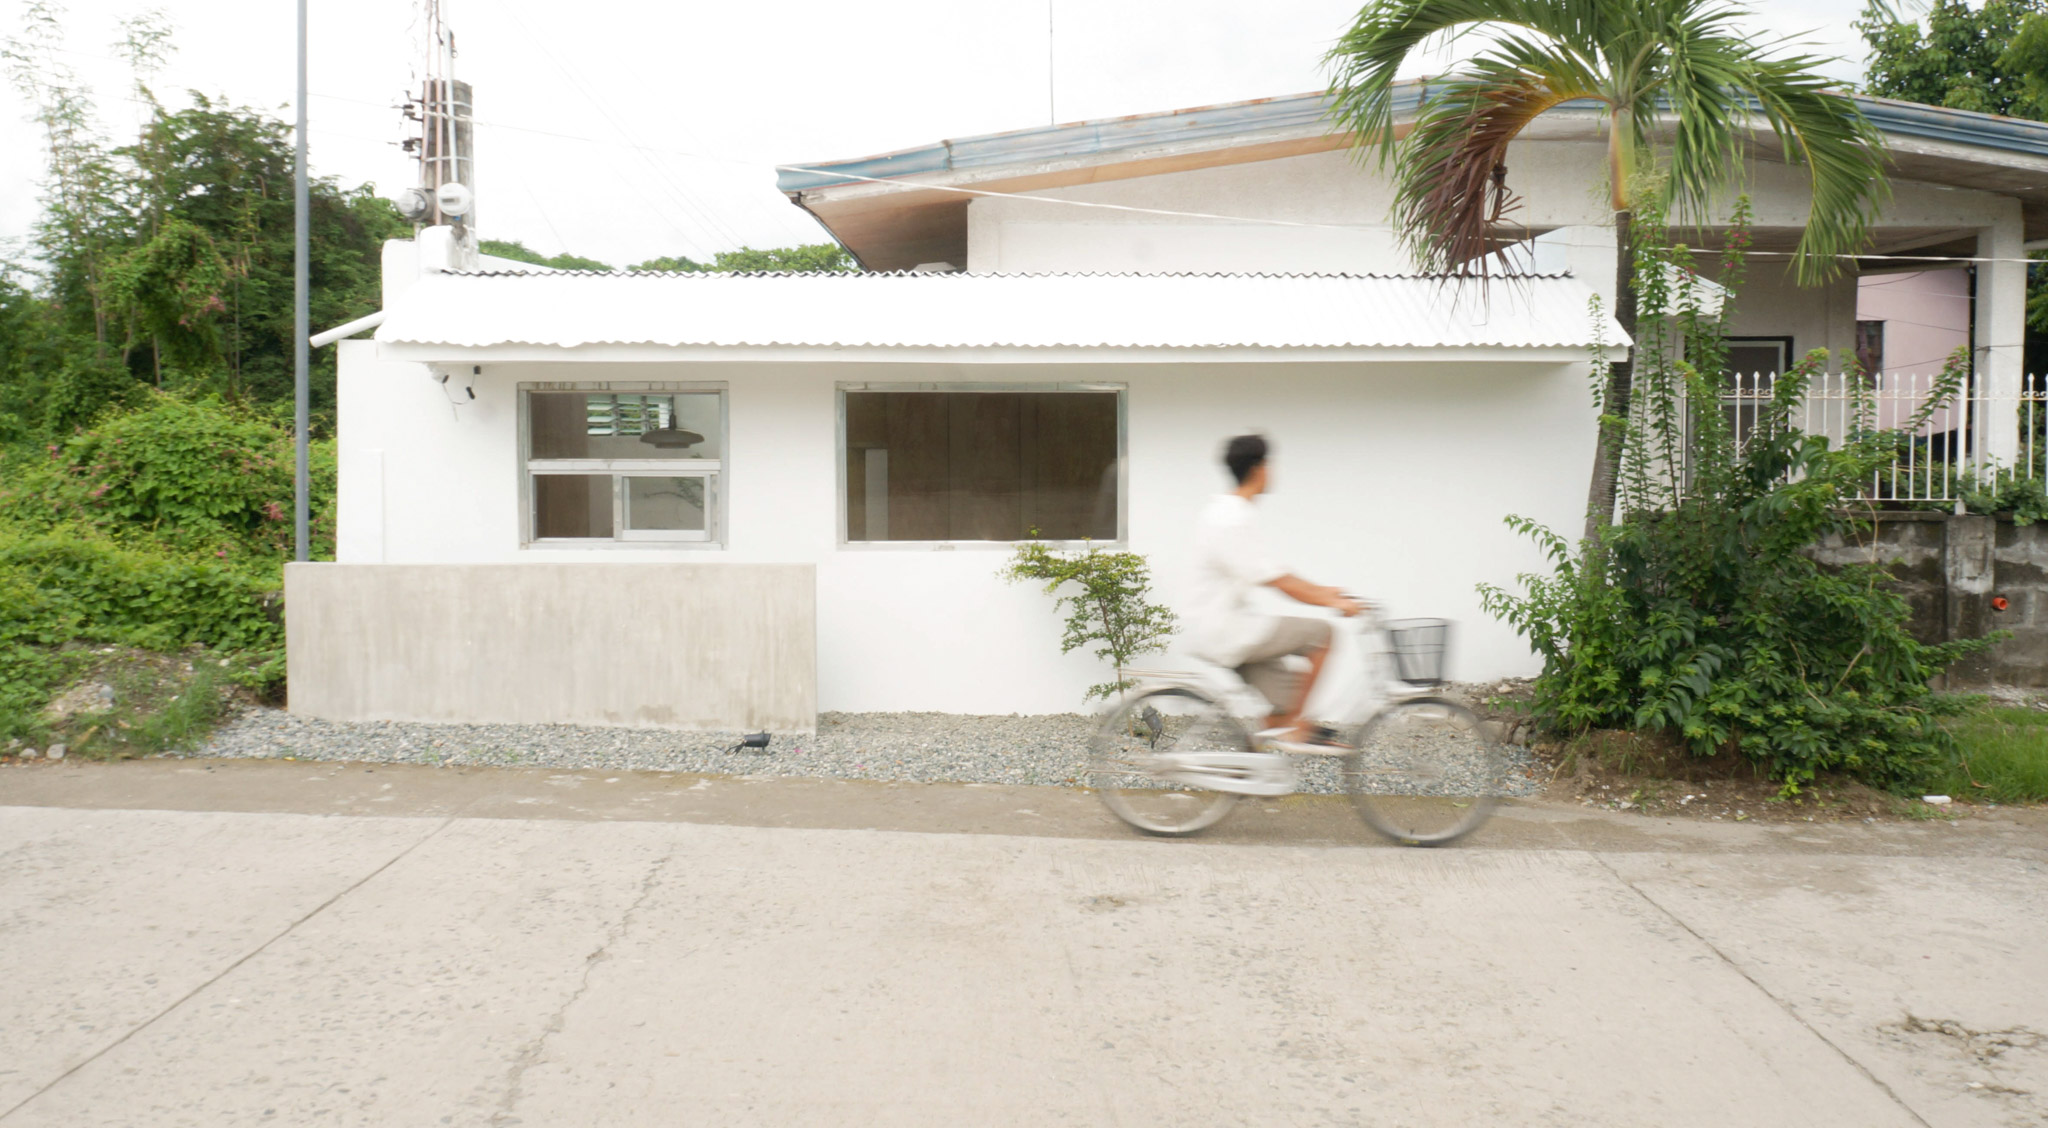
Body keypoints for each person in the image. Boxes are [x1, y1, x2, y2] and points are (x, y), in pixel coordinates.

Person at [1189, 434, 1364, 750]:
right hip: (1227, 628)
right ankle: (1298, 726)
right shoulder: (1232, 518)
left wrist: (1327, 592)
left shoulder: (1226, 512)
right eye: (1270, 464)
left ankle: (1249, 770)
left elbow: (1276, 573)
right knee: (1322, 634)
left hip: (1226, 625)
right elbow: (1277, 580)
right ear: (1259, 469)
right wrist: (1329, 600)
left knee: (1285, 703)